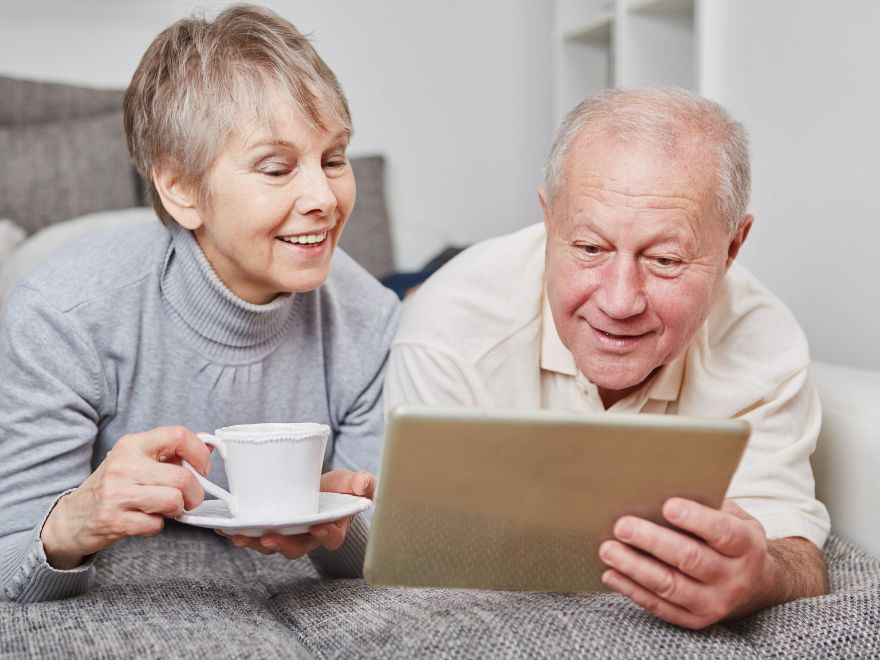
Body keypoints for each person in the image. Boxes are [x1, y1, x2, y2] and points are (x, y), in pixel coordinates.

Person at [385, 87, 829, 629]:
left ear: (733, 247)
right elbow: (416, 560)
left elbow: (795, 551)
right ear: (550, 221)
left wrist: (765, 577)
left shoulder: (764, 341)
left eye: (665, 260)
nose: (619, 302)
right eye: (590, 248)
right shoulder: (446, 329)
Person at [0, 5, 399, 603]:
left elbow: (387, 559)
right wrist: (72, 523)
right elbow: (11, 563)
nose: (324, 196)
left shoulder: (370, 317)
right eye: (276, 167)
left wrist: (338, 521)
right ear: (180, 190)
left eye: (334, 159)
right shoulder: (63, 313)